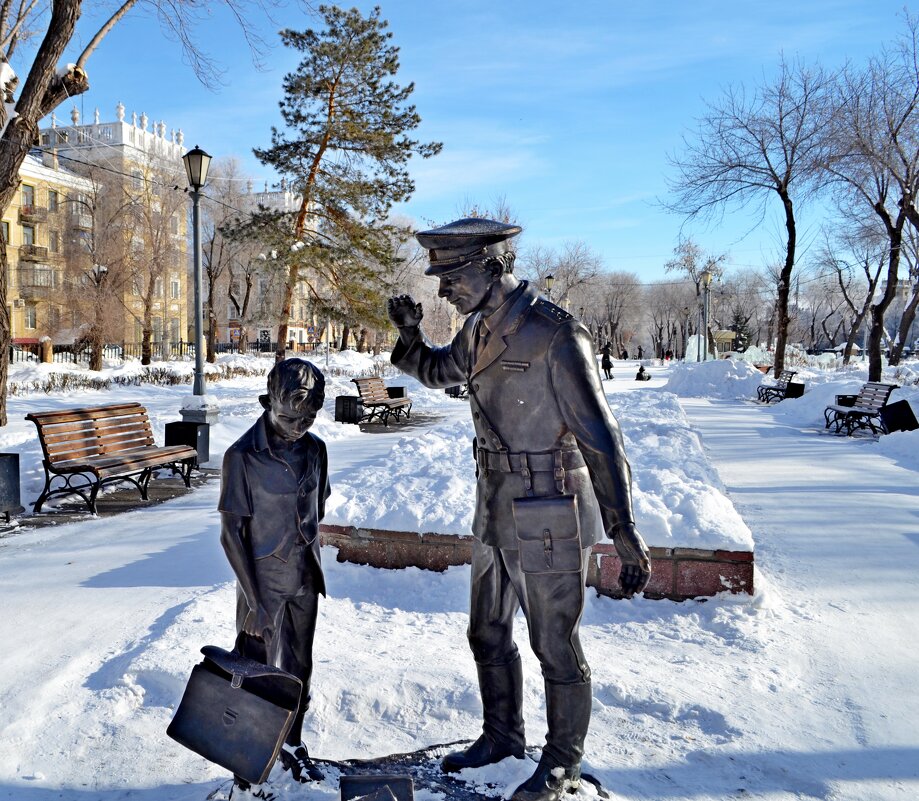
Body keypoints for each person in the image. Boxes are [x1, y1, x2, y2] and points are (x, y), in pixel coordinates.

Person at [387, 218, 651, 801]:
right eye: (438, 278)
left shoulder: (555, 334)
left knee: (554, 643)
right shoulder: (478, 328)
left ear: (491, 266)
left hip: (550, 508)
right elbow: (437, 371)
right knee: (486, 631)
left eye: (450, 276)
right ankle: (503, 735)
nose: (441, 291)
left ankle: (562, 764)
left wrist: (622, 525)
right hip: (496, 506)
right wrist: (409, 336)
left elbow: (601, 438)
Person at [219, 358, 330, 797]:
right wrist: (254, 601)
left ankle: (293, 743)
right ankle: (247, 758)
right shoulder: (241, 456)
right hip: (261, 586)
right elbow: (230, 534)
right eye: (289, 416)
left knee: (299, 667)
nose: (299, 425)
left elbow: (317, 507)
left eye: (309, 416)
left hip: (305, 577)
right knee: (257, 671)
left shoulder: (317, 449)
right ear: (268, 403)